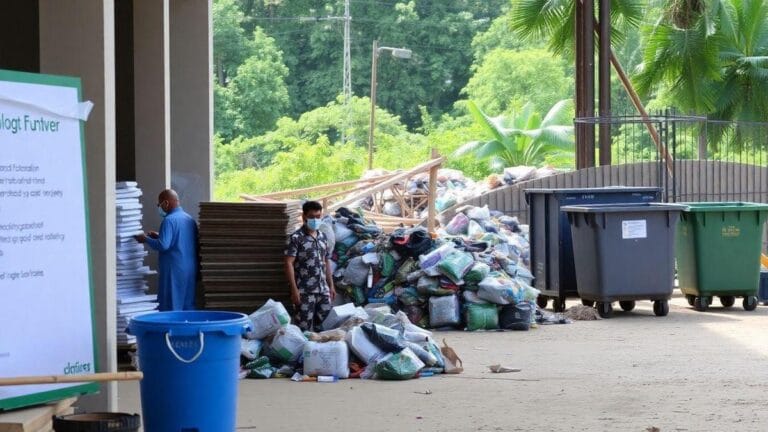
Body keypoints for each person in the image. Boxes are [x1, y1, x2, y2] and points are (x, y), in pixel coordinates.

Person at [135, 189, 199, 311]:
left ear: (166, 203)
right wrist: (160, 235)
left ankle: (172, 330)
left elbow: (163, 245)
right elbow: (182, 240)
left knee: (172, 304)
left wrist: (145, 239)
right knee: (187, 303)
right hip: (189, 268)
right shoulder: (189, 219)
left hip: (173, 269)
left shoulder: (169, 221)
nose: (159, 208)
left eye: (159, 205)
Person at [284, 201, 336, 331]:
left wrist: (331, 286)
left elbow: (326, 261)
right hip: (305, 291)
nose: (315, 220)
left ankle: (319, 350)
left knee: (324, 326)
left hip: (323, 290)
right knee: (303, 328)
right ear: (304, 217)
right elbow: (288, 263)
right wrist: (294, 290)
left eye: (318, 217)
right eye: (312, 217)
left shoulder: (323, 237)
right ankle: (303, 350)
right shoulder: (296, 238)